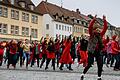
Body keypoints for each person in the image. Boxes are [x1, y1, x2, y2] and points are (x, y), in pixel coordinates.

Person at [80, 15, 108, 80]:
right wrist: (93, 20)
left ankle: (99, 77)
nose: (99, 30)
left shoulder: (100, 35)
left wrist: (104, 20)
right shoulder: (92, 34)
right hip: (91, 51)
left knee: (100, 64)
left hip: (98, 51)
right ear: (94, 29)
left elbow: (105, 28)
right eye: (97, 29)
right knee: (89, 64)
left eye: (99, 29)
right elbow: (89, 27)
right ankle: (83, 74)